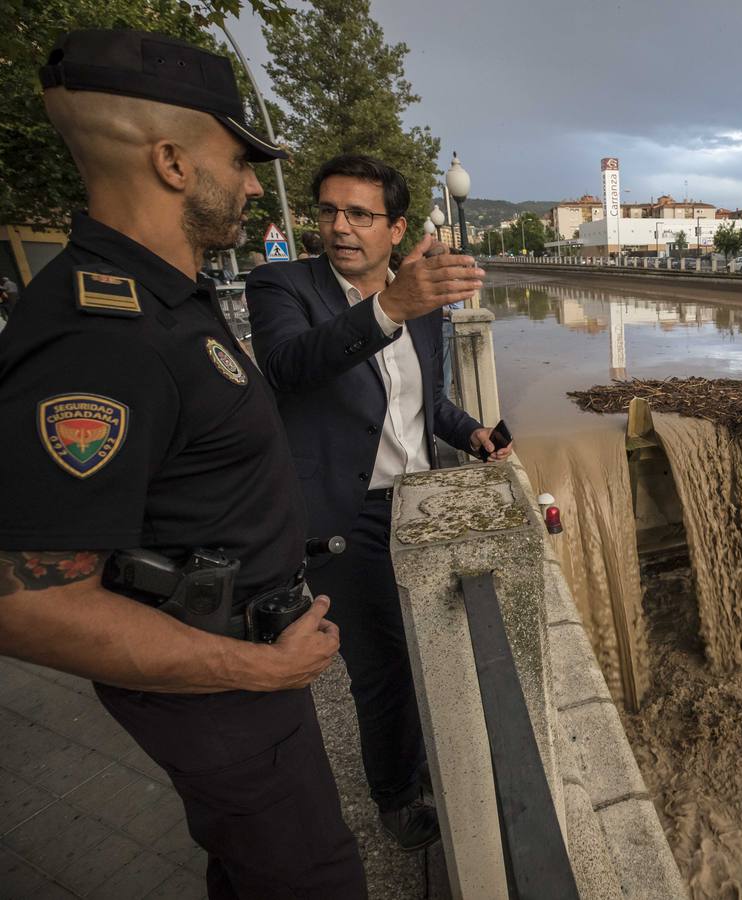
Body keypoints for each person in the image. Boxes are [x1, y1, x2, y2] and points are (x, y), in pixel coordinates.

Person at [0, 30, 365, 898]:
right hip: (224, 690)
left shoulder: (160, 298)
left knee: (252, 871)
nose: (249, 182)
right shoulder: (99, 338)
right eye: (238, 159)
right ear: (171, 160)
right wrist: (256, 668)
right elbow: (25, 605)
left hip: (239, 675)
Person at [245, 153, 509, 851]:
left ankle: (433, 759)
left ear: (394, 228)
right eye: (329, 211)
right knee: (383, 667)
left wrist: (473, 431)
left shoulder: (416, 306)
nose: (339, 227)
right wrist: (389, 307)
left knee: (443, 641)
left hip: (422, 502)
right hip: (345, 516)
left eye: (360, 214)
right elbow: (290, 366)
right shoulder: (281, 285)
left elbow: (425, 406)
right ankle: (398, 794)